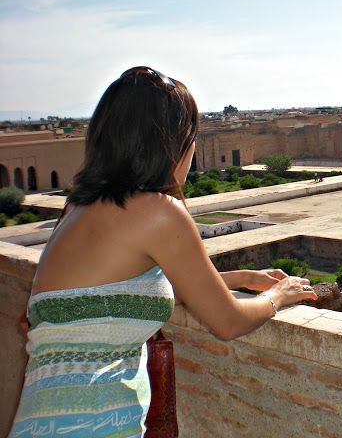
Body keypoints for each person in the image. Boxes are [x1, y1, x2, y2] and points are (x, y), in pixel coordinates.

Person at [8, 66, 317, 437]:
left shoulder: (76, 209)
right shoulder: (158, 211)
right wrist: (277, 297)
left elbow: (110, 295)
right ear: (174, 142)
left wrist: (242, 278)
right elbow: (228, 322)